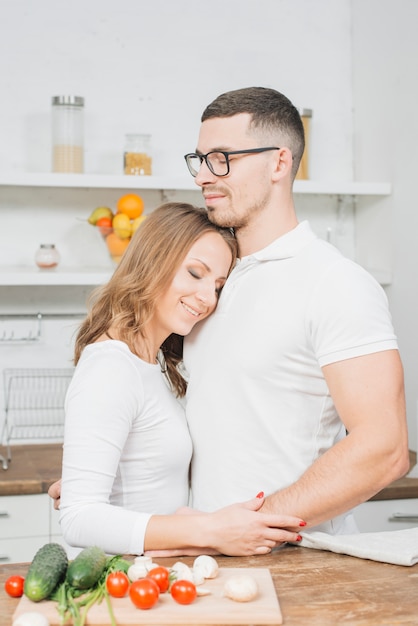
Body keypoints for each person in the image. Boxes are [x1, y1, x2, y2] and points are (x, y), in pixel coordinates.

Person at [180, 86, 409, 540]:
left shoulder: (334, 282)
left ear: (279, 163)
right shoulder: (211, 281)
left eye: (223, 158)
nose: (204, 176)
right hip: (207, 551)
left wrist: (255, 525)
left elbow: (385, 449)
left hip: (296, 561)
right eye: (200, 159)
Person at [57, 201, 305, 557]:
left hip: (155, 579)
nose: (207, 298)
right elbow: (79, 519)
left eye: (218, 285)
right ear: (152, 261)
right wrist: (212, 530)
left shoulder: (152, 360)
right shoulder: (111, 367)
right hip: (125, 584)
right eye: (195, 273)